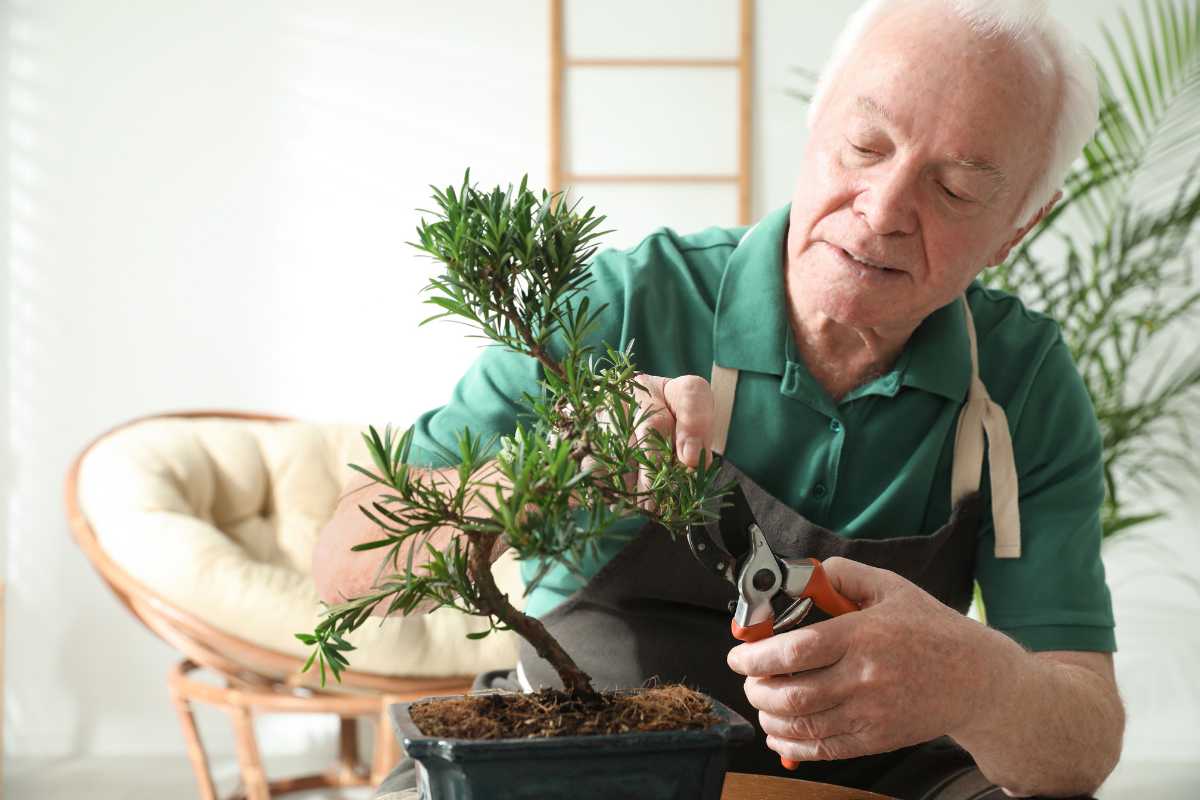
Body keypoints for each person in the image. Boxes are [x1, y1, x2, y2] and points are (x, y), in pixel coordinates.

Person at [315, 0, 1126, 797]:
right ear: (814, 127)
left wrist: (977, 682)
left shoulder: (1021, 385)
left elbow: (1082, 741)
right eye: (863, 146)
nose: (882, 211)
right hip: (578, 752)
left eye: (953, 188)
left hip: (887, 781)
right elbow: (341, 566)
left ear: (1020, 224)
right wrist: (546, 468)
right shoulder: (625, 304)